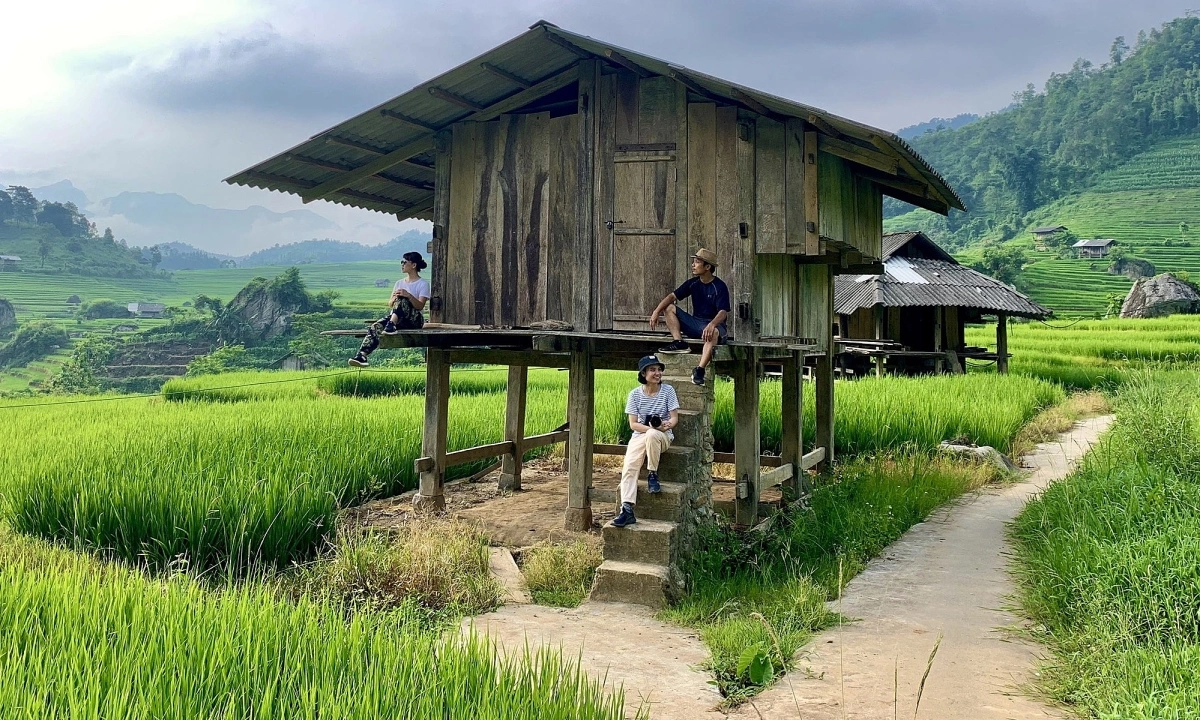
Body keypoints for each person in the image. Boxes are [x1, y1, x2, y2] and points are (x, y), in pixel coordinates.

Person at [612, 355, 680, 528]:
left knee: (651, 435)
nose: (657, 373)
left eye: (659, 369)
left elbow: (674, 418)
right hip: (641, 435)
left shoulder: (668, 391)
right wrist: (651, 428)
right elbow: (633, 424)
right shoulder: (634, 395)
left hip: (663, 436)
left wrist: (665, 425)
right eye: (652, 370)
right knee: (629, 466)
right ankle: (626, 509)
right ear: (643, 373)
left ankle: (652, 474)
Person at [648, 248, 730, 386]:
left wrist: (712, 324)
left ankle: (700, 370)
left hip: (714, 327)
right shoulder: (693, 283)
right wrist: (656, 311)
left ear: (708, 267)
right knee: (669, 308)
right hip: (696, 324)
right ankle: (679, 342)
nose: (693, 264)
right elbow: (671, 296)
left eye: (697, 262)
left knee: (713, 332)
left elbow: (723, 312)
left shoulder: (719, 286)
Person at [349, 252, 429, 367]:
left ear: (413, 265)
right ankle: (362, 355)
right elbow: (391, 304)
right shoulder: (399, 283)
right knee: (375, 326)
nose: (402, 264)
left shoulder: (423, 284)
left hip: (414, 320)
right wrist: (396, 297)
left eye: (404, 262)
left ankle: (392, 324)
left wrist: (408, 296)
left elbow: (420, 306)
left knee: (403, 299)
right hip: (397, 318)